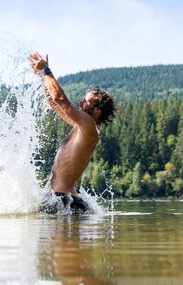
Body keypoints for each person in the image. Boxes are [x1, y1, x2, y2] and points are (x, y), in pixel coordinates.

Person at [28, 53, 118, 213]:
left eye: (86, 101)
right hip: (62, 199)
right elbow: (55, 102)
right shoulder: (83, 126)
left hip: (64, 200)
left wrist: (47, 70)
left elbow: (60, 98)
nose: (80, 103)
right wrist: (43, 76)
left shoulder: (89, 127)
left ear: (97, 110)